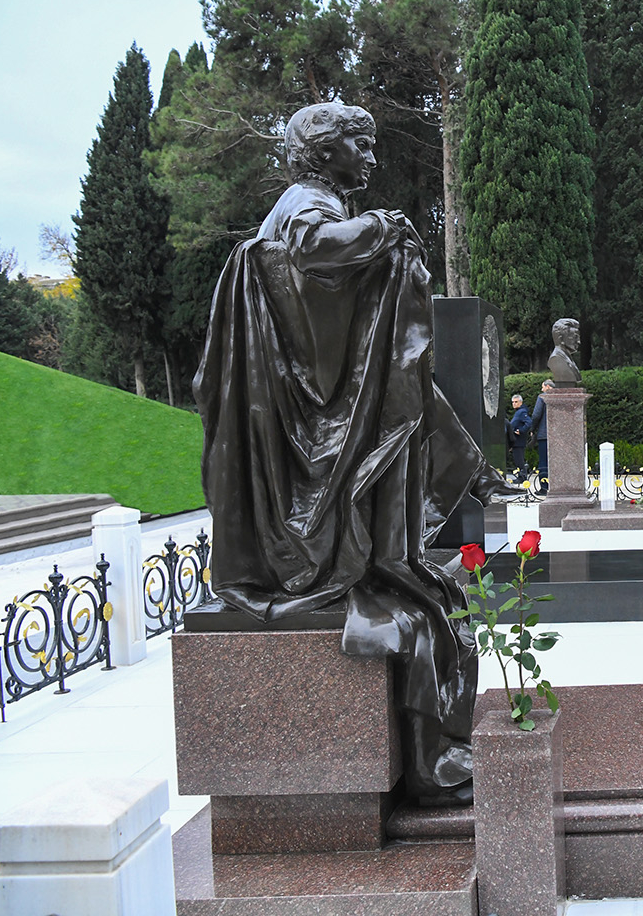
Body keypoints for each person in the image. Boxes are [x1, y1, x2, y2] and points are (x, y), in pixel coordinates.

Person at [194, 102, 491, 806]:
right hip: (308, 440)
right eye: (361, 144)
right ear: (325, 152)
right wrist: (386, 228)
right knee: (416, 594)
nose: (373, 157)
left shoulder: (313, 200)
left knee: (426, 585)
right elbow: (314, 252)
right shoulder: (305, 204)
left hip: (308, 425)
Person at [530, 378, 555, 492]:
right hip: (557, 435)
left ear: (548, 387)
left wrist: (532, 429)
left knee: (544, 461)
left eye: (543, 387)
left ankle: (544, 487)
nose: (542, 389)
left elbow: (536, 415)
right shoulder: (560, 397)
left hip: (544, 434)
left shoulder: (542, 397)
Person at [548, 318, 581, 385]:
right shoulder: (556, 359)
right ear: (560, 339)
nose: (578, 341)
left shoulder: (567, 358)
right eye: (574, 337)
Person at [506, 393, 532, 474]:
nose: (514, 404)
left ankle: (522, 476)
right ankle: (521, 476)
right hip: (516, 441)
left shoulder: (521, 412)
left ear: (521, 402)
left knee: (519, 460)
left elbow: (529, 422)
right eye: (513, 402)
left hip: (519, 441)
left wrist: (521, 430)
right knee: (517, 460)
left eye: (516, 402)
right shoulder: (518, 412)